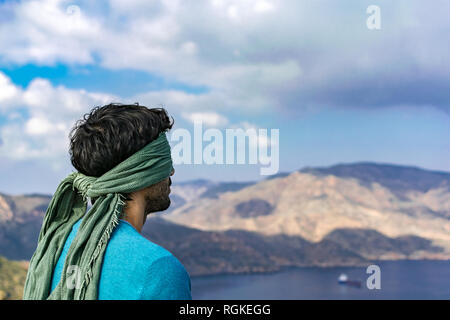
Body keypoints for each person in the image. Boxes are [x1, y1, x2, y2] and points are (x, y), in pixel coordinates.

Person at [23, 103, 192, 300]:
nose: (171, 171)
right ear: (139, 173)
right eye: (164, 161)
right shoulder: (158, 269)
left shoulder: (52, 247)